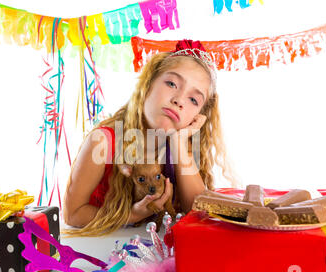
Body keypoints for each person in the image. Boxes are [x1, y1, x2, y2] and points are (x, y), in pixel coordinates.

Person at [62, 39, 237, 237]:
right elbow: (72, 214)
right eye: (171, 83)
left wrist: (179, 143)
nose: (179, 100)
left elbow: (198, 213)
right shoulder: (103, 142)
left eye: (193, 100)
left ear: (196, 116)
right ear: (148, 84)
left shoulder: (181, 146)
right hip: (102, 250)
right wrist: (131, 215)